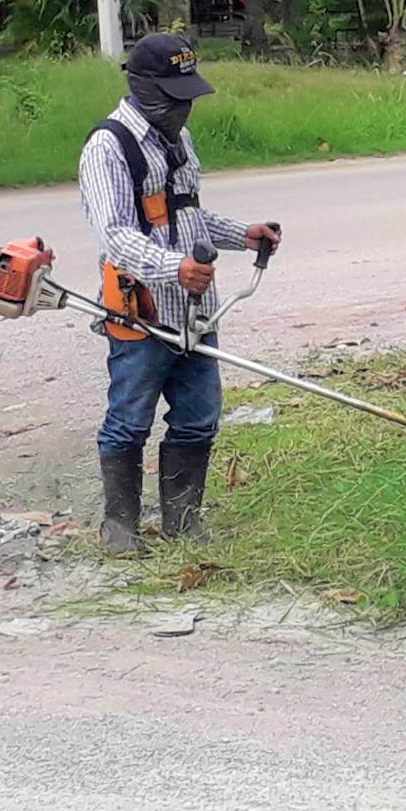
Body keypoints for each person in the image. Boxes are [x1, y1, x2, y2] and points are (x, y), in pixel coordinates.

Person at [78, 33, 282, 555]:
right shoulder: (109, 147)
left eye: (187, 96)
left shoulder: (179, 142)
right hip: (141, 312)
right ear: (141, 86)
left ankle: (183, 521)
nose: (183, 108)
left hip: (195, 316)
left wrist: (243, 234)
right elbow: (116, 235)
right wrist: (175, 268)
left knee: (198, 418)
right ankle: (119, 525)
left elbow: (189, 215)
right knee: (128, 420)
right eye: (173, 97)